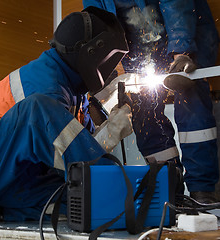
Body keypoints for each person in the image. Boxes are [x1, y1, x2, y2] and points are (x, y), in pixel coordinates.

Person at [0, 6, 133, 224]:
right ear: (91, 52)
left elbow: (79, 151)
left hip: (17, 176)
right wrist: (110, 133)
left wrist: (107, 126)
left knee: (79, 200)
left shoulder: (75, 91)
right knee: (38, 110)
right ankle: (110, 190)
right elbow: (75, 159)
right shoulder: (45, 84)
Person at [83, 0, 220, 203]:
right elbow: (99, 21)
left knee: (191, 103)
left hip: (185, 29)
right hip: (138, 44)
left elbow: (177, 4)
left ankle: (203, 191)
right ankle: (169, 189)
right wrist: (105, 70)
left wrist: (182, 52)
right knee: (144, 113)